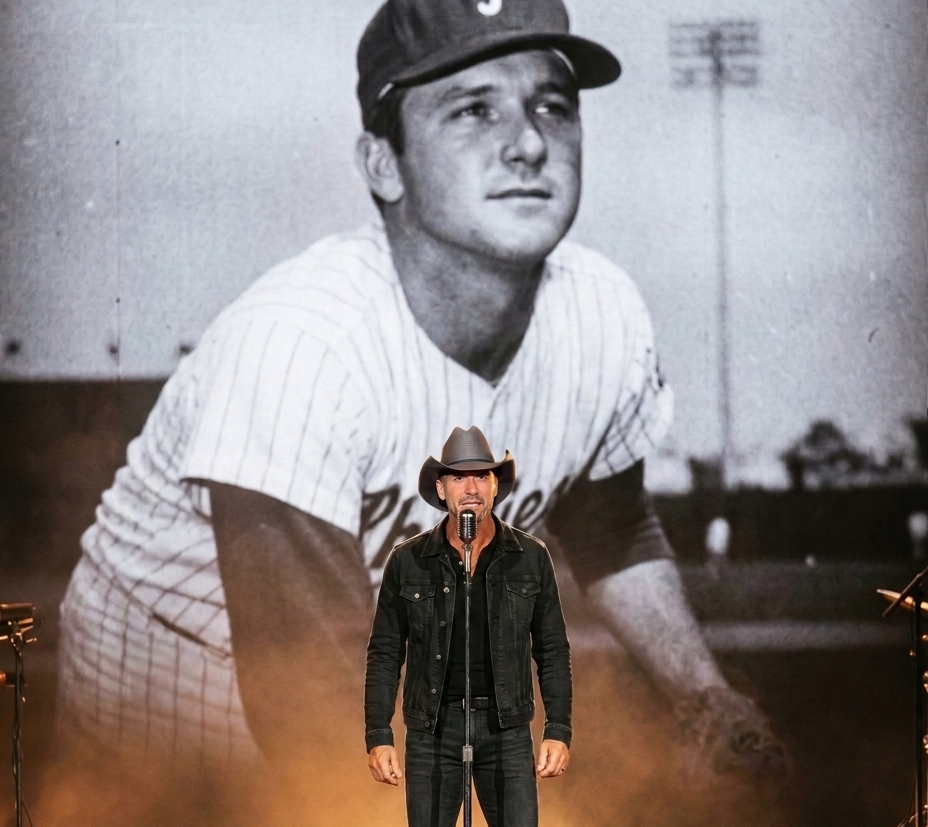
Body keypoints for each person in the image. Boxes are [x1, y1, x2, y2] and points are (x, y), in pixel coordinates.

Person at [56, 0, 779, 783]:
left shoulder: (605, 315)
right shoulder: (300, 345)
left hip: (375, 663)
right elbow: (307, 693)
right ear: (384, 164)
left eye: (552, 106)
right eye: (473, 110)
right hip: (178, 673)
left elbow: (610, 526)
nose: (529, 143)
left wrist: (704, 694)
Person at [366, 427, 570, 827]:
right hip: (433, 730)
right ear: (441, 489)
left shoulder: (529, 557)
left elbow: (552, 649)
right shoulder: (409, 560)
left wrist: (558, 728)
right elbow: (385, 652)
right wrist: (378, 734)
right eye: (459, 478)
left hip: (506, 729)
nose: (471, 487)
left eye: (481, 476)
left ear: (496, 486)